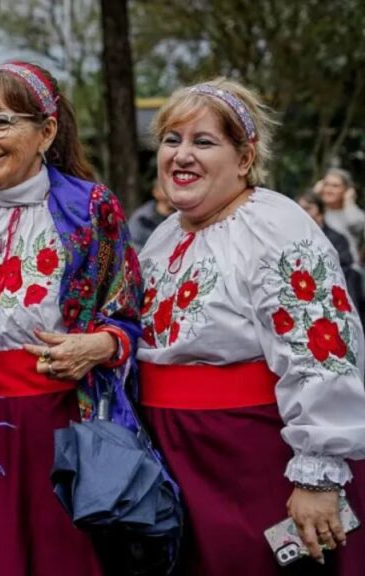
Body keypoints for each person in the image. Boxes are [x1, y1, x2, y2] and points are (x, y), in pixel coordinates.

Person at [0, 61, 147, 575]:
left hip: (63, 425)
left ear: (46, 132)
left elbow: (130, 315)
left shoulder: (91, 211)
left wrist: (101, 344)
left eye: (0, 122)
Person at [137, 78, 365, 574]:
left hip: (249, 458)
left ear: (244, 158)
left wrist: (317, 476)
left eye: (203, 141)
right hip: (175, 459)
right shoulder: (162, 238)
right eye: (172, 140)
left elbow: (321, 352)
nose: (181, 154)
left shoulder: (273, 228)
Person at [298, 191, 364, 316]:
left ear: (320, 213)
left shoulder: (337, 238)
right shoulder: (292, 238)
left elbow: (344, 269)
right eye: (299, 209)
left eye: (307, 208)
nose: (303, 213)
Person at [317, 168, 364, 266]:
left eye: (335, 186)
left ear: (347, 190)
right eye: (326, 185)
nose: (328, 190)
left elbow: (356, 225)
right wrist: (314, 195)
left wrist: (349, 202)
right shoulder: (317, 213)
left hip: (347, 269)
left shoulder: (353, 213)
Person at [128, 183, 174, 251]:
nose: (172, 192)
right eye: (167, 188)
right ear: (155, 192)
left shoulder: (184, 217)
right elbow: (132, 246)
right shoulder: (142, 218)